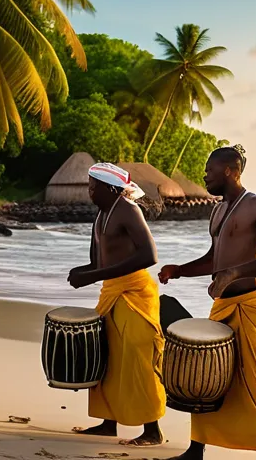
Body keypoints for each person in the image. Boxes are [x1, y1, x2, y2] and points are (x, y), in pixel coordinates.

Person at [158, 145, 256, 460]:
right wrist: (180, 270)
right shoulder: (218, 210)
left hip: (252, 306)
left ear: (229, 171)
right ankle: (196, 451)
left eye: (209, 169)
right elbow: (214, 259)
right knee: (208, 377)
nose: (204, 175)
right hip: (222, 306)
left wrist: (235, 273)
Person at [67, 162, 165, 447]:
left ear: (111, 189)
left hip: (136, 294)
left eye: (93, 187)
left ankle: (152, 431)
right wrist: (82, 272)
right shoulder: (101, 216)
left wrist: (93, 276)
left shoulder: (129, 211)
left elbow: (150, 255)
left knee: (138, 361)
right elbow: (100, 262)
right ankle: (109, 423)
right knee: (107, 359)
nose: (90, 191)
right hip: (111, 292)